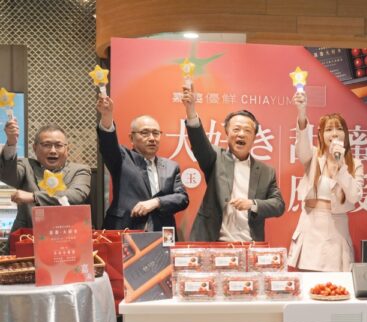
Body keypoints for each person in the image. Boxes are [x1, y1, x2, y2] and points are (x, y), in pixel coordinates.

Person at [181, 86, 285, 242]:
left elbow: (278, 205)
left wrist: (252, 204)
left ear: (254, 137)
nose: (241, 134)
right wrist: (190, 111)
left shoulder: (266, 172)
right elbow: (199, 143)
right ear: (227, 133)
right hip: (213, 243)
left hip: (249, 245)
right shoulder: (215, 157)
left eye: (247, 130)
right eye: (236, 129)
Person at [287, 91, 364, 272]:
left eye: (339, 129)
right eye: (329, 129)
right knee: (309, 284)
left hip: (337, 231)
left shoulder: (355, 164)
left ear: (346, 134)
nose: (334, 133)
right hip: (310, 227)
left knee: (335, 285)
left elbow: (354, 196)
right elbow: (301, 147)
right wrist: (302, 113)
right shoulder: (313, 156)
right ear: (321, 135)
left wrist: (341, 167)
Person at [96, 96, 189, 232]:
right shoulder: (122, 158)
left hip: (161, 233)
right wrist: (106, 116)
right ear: (131, 138)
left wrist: (156, 202)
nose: (152, 138)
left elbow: (182, 198)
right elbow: (108, 143)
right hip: (126, 230)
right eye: (145, 133)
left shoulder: (171, 167)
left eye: (156, 133)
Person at [0, 119, 91, 231]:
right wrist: (11, 143)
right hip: (27, 235)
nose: (53, 151)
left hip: (68, 235)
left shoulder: (79, 170)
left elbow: (76, 195)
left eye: (58, 145)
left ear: (67, 149)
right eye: (46, 145)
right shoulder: (26, 165)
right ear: (35, 148)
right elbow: (8, 176)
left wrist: (34, 197)